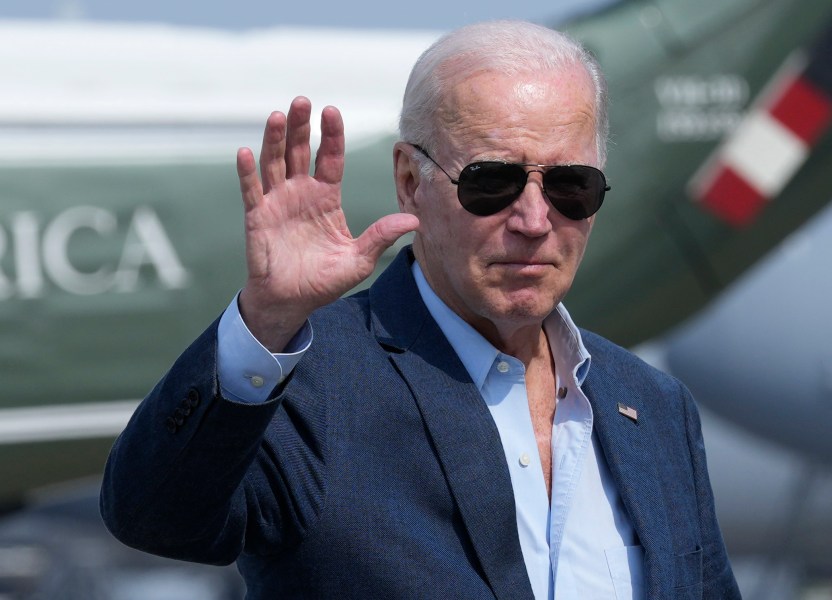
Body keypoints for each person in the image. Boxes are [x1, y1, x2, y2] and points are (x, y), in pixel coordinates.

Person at [101, 20, 740, 600]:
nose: (535, 220)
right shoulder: (309, 385)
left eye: (572, 185)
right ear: (410, 180)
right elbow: (154, 516)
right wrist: (265, 320)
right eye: (493, 182)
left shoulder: (653, 408)